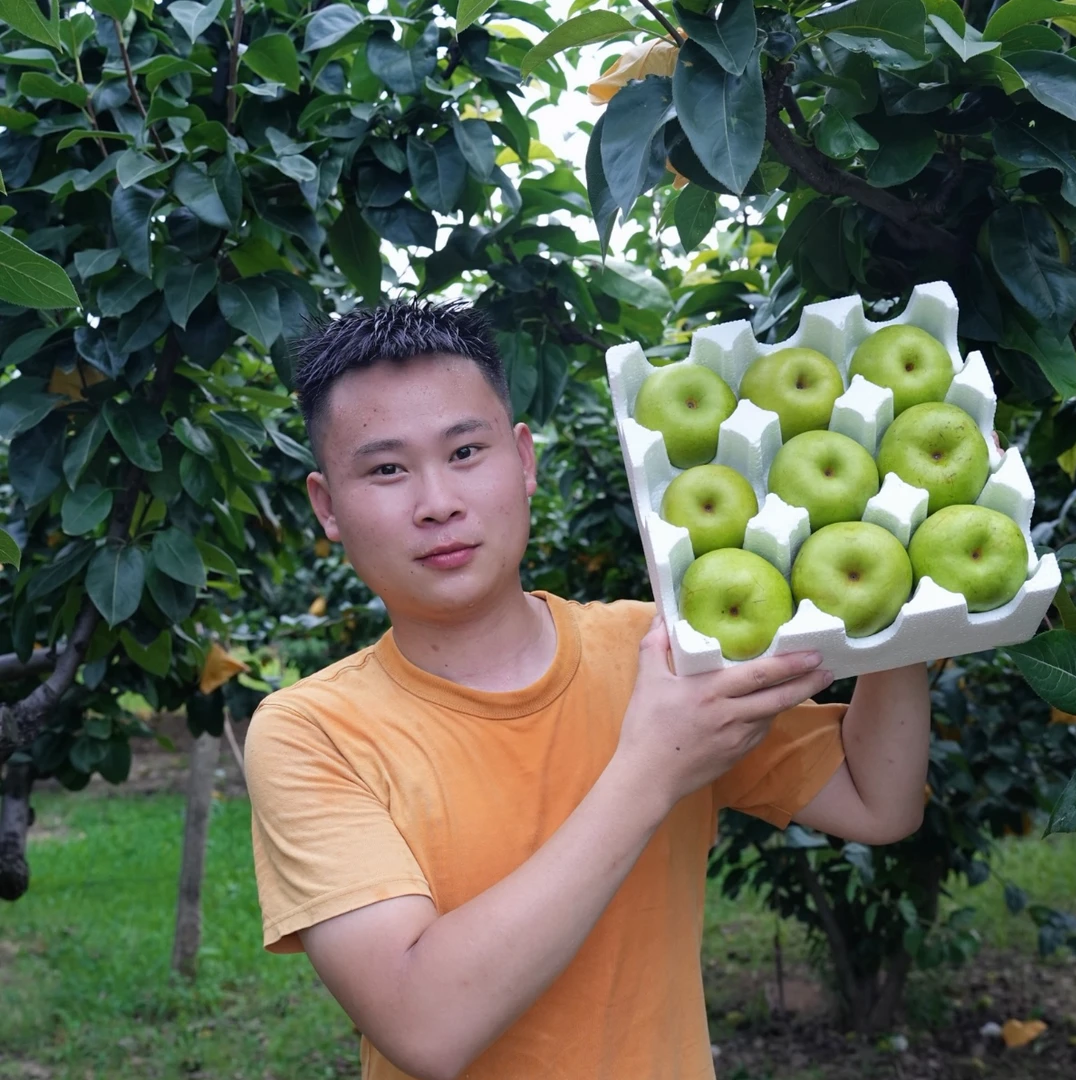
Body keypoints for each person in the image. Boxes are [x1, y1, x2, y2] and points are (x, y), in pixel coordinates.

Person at [245, 299, 931, 1080]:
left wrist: (903, 596)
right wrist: (654, 765)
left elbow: (880, 802)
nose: (437, 502)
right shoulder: (313, 731)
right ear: (328, 506)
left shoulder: (655, 650)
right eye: (388, 469)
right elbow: (425, 1024)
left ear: (524, 460)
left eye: (465, 451)